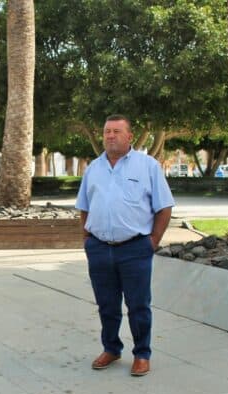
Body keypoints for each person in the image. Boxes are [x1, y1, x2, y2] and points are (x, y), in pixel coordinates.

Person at [75, 114, 174, 377]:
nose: (110, 136)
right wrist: (87, 240)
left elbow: (164, 207)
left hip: (135, 249)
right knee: (106, 304)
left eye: (116, 131)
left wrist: (152, 242)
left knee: (138, 305)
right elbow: (84, 207)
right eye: (107, 131)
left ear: (129, 136)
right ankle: (111, 348)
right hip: (99, 248)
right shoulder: (93, 168)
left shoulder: (147, 166)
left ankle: (142, 353)